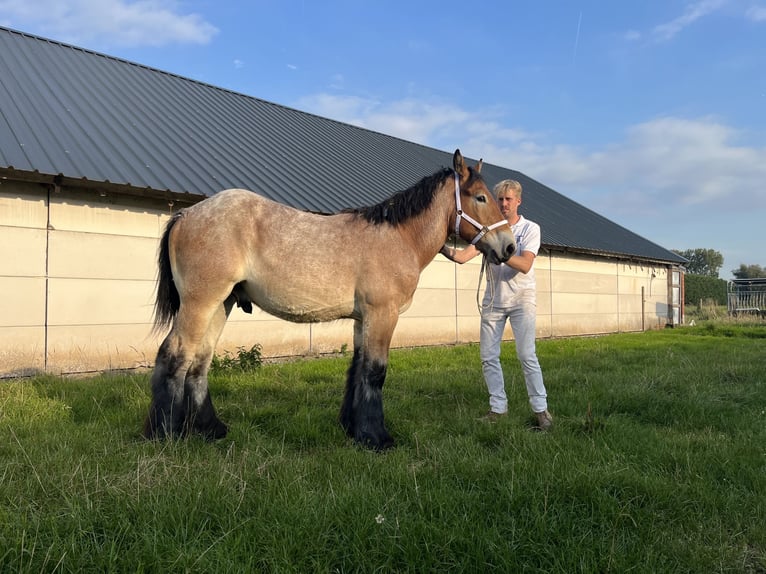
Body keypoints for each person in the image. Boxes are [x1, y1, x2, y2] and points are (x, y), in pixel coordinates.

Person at [440, 179, 552, 430]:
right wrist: (440, 246)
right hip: (493, 302)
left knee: (526, 355)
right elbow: (461, 257)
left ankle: (541, 410)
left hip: (522, 300)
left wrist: (501, 251)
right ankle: (498, 408)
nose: (503, 204)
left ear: (518, 201)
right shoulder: (488, 230)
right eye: (500, 199)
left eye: (508, 199)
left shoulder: (530, 229)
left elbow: (525, 266)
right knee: (488, 357)